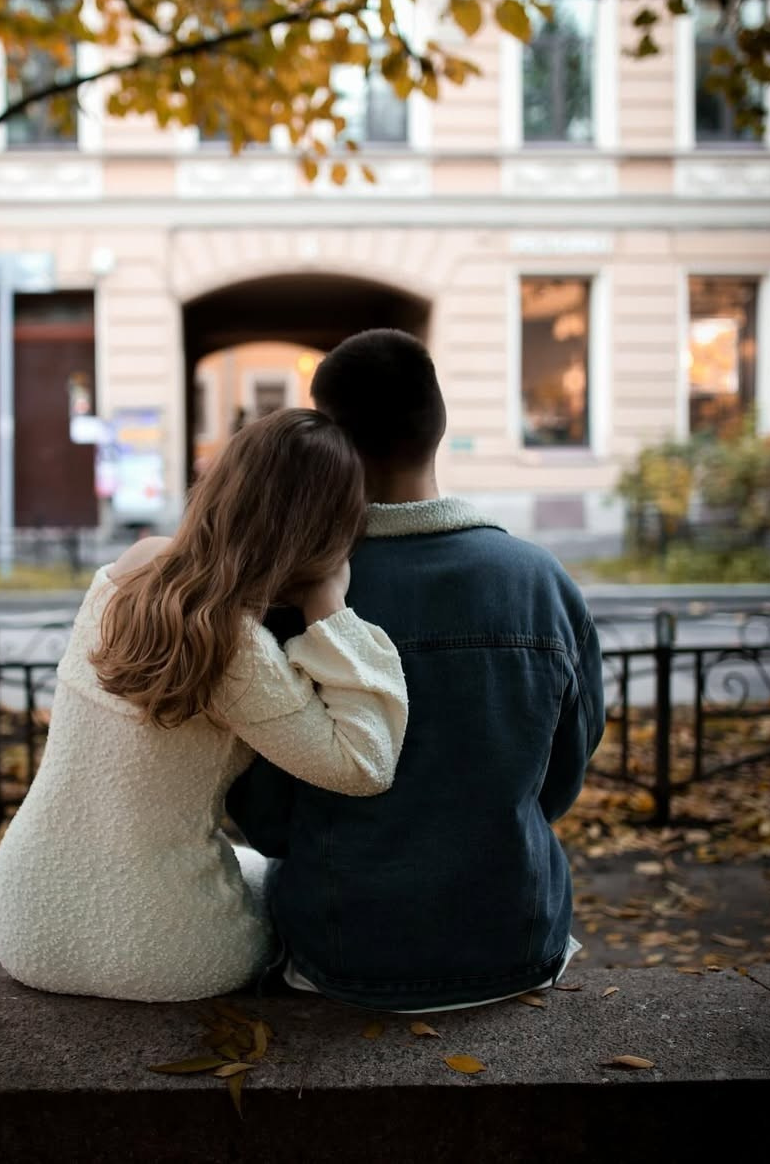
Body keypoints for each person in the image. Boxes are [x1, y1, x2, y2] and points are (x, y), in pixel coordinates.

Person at [228, 329, 606, 1012]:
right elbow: (561, 780)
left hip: (343, 956)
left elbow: (268, 821)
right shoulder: (542, 582)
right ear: (439, 425)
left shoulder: (294, 600)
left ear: (331, 440)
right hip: (516, 945)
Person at [0, 408, 408, 1002]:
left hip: (24, 916)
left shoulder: (130, 571)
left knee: (237, 864)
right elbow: (365, 764)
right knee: (286, 885)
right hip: (169, 951)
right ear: (327, 530)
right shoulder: (240, 652)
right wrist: (331, 612)